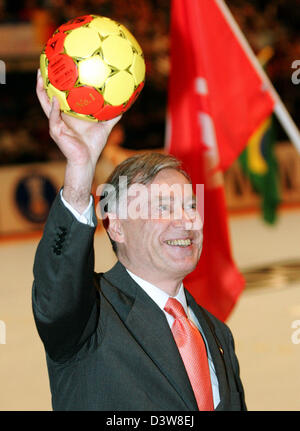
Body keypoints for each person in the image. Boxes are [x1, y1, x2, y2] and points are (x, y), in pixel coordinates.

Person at [32, 70, 246, 411]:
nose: (186, 219)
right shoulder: (88, 316)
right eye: (163, 207)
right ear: (116, 227)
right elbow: (55, 289)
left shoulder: (218, 335)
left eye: (191, 205)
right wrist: (80, 171)